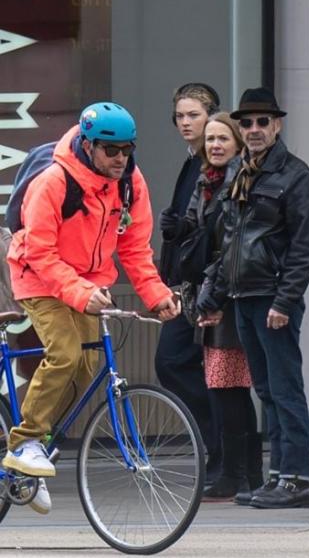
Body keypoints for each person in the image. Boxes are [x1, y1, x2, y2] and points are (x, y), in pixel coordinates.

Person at [4, 103, 180, 515]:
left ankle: (36, 460)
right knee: (64, 354)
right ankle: (24, 441)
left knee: (85, 370)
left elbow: (135, 248)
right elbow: (41, 253)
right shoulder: (54, 181)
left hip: (88, 282)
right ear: (88, 144)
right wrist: (80, 292)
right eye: (110, 149)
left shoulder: (131, 184)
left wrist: (157, 295)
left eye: (127, 149)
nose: (120, 158)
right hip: (38, 277)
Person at [197, 87, 309, 509]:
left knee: (285, 390)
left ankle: (295, 479)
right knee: (266, 391)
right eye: (246, 122)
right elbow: (227, 242)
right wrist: (211, 297)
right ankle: (277, 477)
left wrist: (285, 303)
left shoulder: (295, 176)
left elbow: (305, 248)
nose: (253, 129)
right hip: (242, 296)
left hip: (272, 297)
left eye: (261, 122)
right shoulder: (238, 173)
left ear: (277, 125)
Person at [176, 114, 263, 501]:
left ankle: (240, 473)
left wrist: (213, 298)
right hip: (210, 293)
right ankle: (241, 472)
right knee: (224, 385)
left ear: (237, 144)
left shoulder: (236, 182)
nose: (214, 145)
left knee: (231, 387)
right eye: (210, 139)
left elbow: (229, 246)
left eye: (222, 138)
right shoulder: (205, 182)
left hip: (226, 296)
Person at [155, 83, 221, 481]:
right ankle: (215, 447)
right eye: (180, 116)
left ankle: (219, 448)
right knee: (179, 364)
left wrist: (182, 229)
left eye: (193, 115)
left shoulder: (213, 164)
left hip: (203, 284)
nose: (185, 123)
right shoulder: (192, 162)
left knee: (179, 362)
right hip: (186, 282)